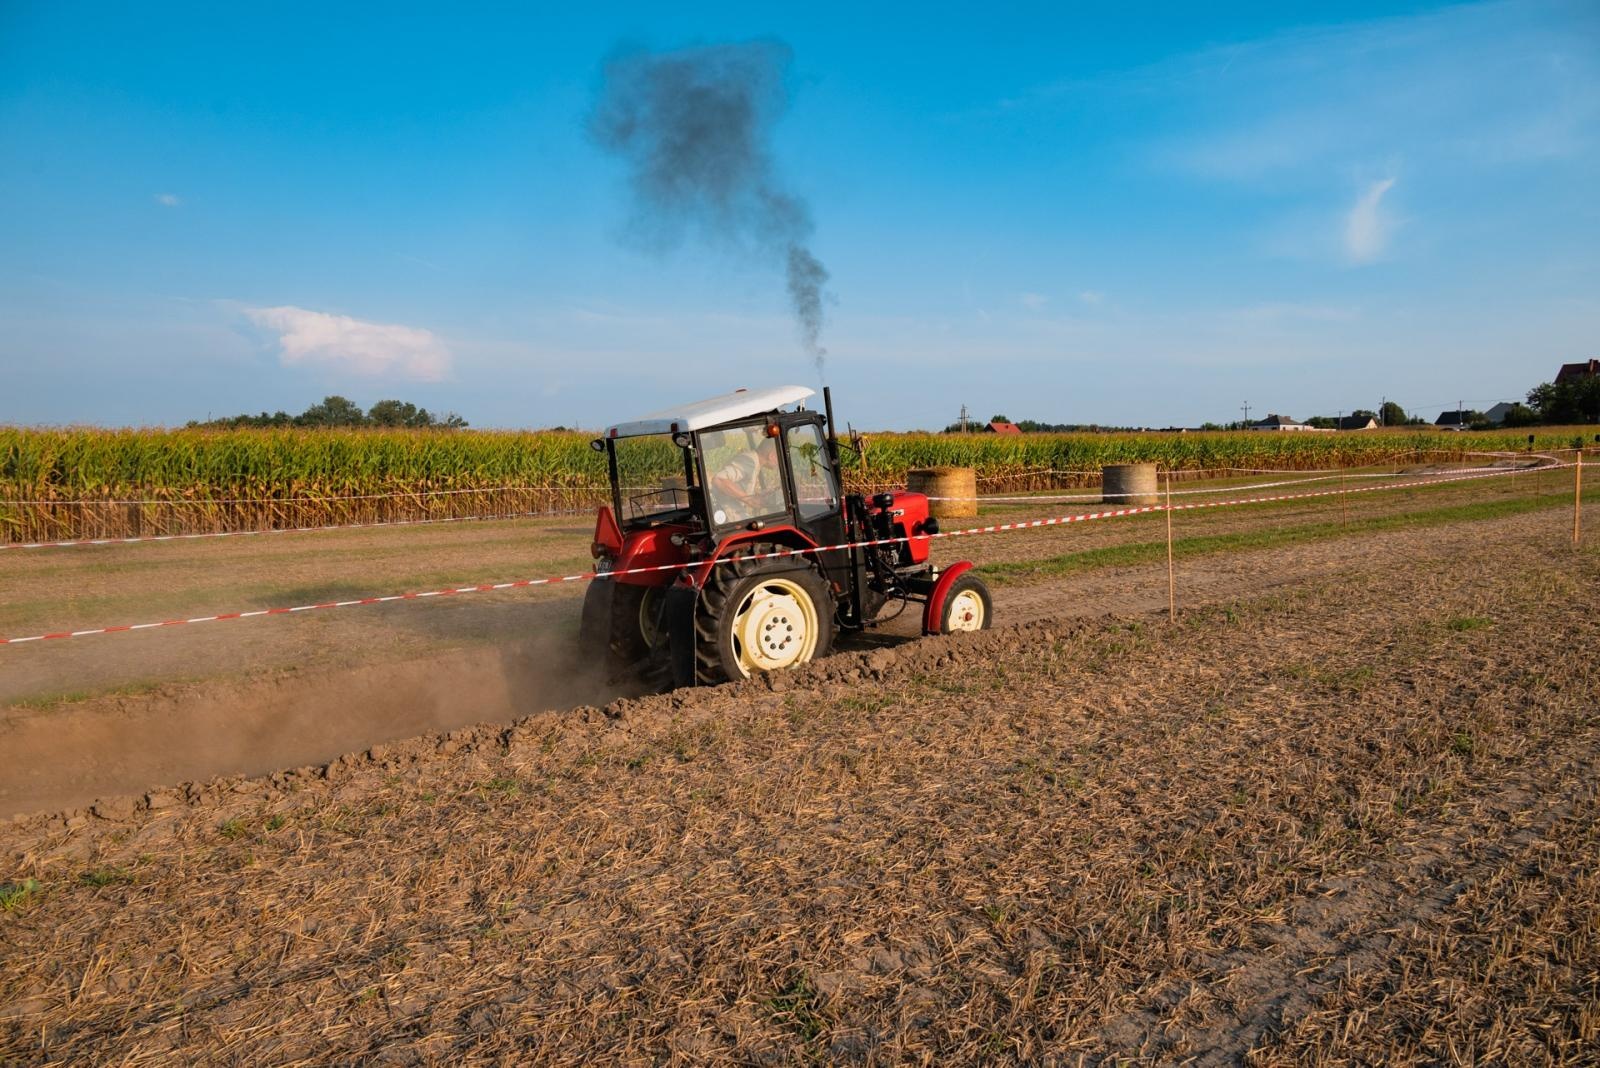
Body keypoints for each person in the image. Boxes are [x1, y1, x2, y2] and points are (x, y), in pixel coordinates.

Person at [710, 427, 784, 522]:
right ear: (772, 455)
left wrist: (758, 496)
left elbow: (739, 486)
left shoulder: (755, 463)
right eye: (778, 457)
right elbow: (719, 479)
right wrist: (750, 500)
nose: (779, 462)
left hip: (734, 512)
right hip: (730, 515)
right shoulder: (750, 461)